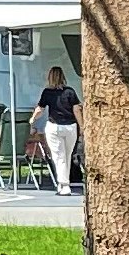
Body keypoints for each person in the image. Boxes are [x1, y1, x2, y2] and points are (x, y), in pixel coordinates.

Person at [30, 65, 82, 195]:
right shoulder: (70, 91)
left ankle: (64, 185)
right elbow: (77, 109)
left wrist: (32, 119)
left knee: (59, 157)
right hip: (70, 127)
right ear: (63, 77)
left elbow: (40, 109)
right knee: (67, 156)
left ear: (50, 77)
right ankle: (62, 184)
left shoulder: (47, 92)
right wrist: (82, 126)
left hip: (54, 127)